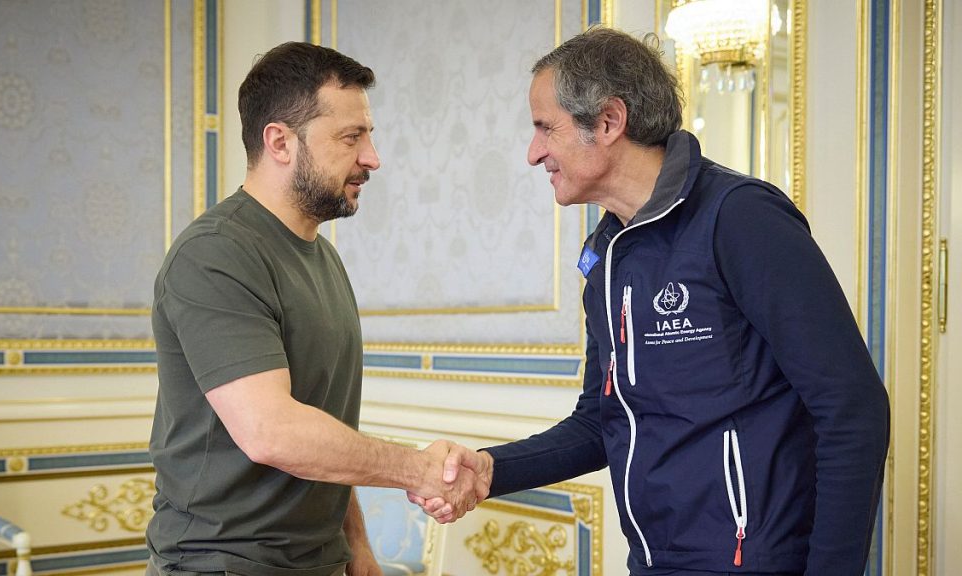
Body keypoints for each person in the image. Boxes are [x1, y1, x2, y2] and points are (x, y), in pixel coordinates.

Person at [424, 27, 889, 576]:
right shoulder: (603, 253)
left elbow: (853, 408)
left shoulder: (740, 218)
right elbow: (601, 421)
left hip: (755, 560)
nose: (533, 153)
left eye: (544, 128)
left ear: (608, 121)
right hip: (653, 560)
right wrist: (488, 469)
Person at [145, 42, 485, 576]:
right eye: (352, 137)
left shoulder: (322, 255)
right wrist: (417, 469)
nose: (372, 157)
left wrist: (357, 544)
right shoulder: (215, 254)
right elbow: (273, 432)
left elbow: (321, 428)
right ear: (280, 141)